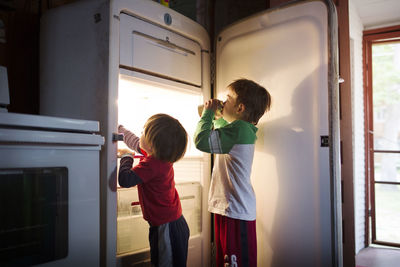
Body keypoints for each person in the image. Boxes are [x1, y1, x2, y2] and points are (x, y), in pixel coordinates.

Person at [194, 78, 271, 267]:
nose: (223, 101)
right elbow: (220, 128)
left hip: (235, 209)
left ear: (240, 108)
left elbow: (201, 141)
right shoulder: (240, 129)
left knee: (235, 262)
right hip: (230, 208)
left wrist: (207, 115)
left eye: (227, 98)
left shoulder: (238, 129)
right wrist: (211, 115)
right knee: (227, 261)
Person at [118, 113, 190, 267]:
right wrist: (118, 128)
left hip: (166, 228)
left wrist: (127, 157)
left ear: (152, 144)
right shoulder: (159, 156)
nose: (140, 133)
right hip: (172, 224)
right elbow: (135, 142)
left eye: (144, 131)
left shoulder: (152, 164)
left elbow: (125, 179)